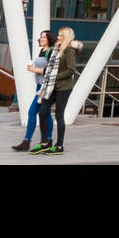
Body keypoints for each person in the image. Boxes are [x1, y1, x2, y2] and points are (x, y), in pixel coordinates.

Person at [36, 27, 80, 156]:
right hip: (52, 86)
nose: (59, 38)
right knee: (42, 112)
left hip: (64, 88)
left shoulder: (69, 51)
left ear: (67, 38)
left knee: (59, 116)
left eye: (61, 36)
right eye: (59, 35)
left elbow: (71, 70)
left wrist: (55, 76)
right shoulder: (56, 50)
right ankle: (45, 143)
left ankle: (59, 146)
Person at [13, 30, 55, 152]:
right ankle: (48, 139)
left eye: (44, 37)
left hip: (45, 87)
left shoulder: (51, 51)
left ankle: (27, 141)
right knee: (45, 114)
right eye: (40, 37)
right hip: (39, 86)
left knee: (32, 112)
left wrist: (34, 70)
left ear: (49, 39)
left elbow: (50, 69)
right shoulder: (42, 51)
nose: (41, 39)